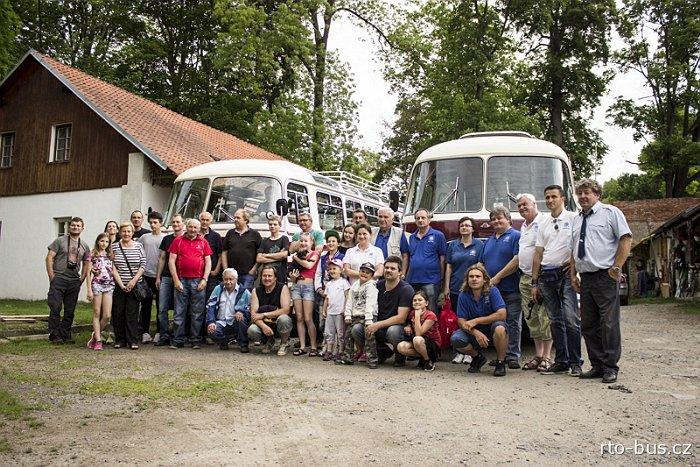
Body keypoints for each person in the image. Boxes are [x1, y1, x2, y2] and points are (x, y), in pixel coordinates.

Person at [570, 179, 632, 383]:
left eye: (586, 192)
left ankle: (610, 366)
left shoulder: (610, 212)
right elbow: (574, 249)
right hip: (585, 277)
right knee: (588, 324)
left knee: (608, 323)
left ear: (597, 194)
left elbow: (625, 238)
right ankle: (596, 364)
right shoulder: (577, 219)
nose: (582, 197)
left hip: (605, 275)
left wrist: (616, 268)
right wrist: (573, 274)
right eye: (579, 193)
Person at [530, 186, 581, 375]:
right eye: (547, 197)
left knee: (571, 319)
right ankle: (561, 361)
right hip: (546, 275)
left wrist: (573, 264)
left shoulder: (574, 219)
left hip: (566, 275)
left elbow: (579, 245)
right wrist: (534, 283)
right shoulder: (543, 223)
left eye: (554, 197)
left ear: (563, 199)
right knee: (554, 321)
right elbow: (538, 253)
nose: (550, 200)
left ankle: (576, 361)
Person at [478, 206, 522, 369]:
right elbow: (481, 262)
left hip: (511, 289)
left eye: (499, 218)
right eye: (493, 219)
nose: (496, 221)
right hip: (492, 291)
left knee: (512, 322)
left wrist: (497, 277)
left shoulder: (516, 236)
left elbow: (516, 260)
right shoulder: (489, 240)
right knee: (497, 324)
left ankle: (512, 356)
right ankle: (500, 356)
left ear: (509, 219)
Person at [515, 194, 554, 372]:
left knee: (544, 316)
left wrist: (536, 280)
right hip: (525, 277)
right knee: (531, 317)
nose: (522, 207)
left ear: (534, 204)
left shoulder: (545, 221)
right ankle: (538, 355)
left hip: (541, 277)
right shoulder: (524, 226)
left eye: (525, 204)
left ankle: (547, 357)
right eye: (519, 205)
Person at [450, 264, 509, 377]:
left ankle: (500, 362)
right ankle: (477, 357)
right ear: (467, 280)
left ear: (484, 279)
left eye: (478, 276)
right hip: (474, 331)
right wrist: (475, 332)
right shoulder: (463, 294)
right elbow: (461, 321)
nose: (474, 279)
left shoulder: (493, 291)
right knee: (456, 339)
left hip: (493, 329)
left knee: (500, 328)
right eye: (471, 276)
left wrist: (477, 321)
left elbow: (502, 314)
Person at [443, 216, 483, 364]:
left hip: (472, 289)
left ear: (473, 229)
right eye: (462, 226)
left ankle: (470, 352)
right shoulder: (453, 245)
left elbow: (480, 267)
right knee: (456, 321)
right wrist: (446, 287)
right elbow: (449, 267)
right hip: (454, 288)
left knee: (471, 320)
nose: (464, 228)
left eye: (467, 225)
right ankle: (458, 351)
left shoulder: (479, 245)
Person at [168, 218, 212, 349]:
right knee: (179, 311)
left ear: (199, 229)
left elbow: (208, 262)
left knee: (197, 312)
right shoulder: (178, 241)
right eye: (190, 227)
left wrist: (205, 279)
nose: (192, 230)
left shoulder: (204, 242)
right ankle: (177, 340)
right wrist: (176, 280)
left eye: (195, 228)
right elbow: (171, 261)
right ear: (186, 227)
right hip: (181, 280)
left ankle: (195, 340)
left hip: (198, 281)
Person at [45, 216, 90, 344]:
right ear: (69, 227)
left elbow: (87, 263)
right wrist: (51, 276)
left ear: (82, 228)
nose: (75, 227)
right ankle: (54, 334)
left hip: (74, 281)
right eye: (73, 225)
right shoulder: (60, 241)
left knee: (70, 310)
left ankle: (65, 333)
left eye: (78, 226)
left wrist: (81, 279)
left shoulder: (84, 245)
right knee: (56, 307)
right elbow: (49, 258)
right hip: (58, 278)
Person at [366, 255, 413, 366]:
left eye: (393, 268)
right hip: (379, 322)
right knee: (358, 329)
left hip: (399, 326)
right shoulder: (377, 286)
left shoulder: (406, 289)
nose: (388, 270)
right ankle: (383, 351)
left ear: (400, 272)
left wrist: (377, 325)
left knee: (393, 332)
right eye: (386, 268)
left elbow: (401, 318)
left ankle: (400, 355)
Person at [337, 262, 380, 368]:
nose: (364, 274)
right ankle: (347, 358)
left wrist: (369, 319)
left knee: (369, 336)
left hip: (368, 316)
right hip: (355, 315)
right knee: (348, 334)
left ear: (371, 275)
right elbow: (350, 301)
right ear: (359, 271)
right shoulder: (355, 285)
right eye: (363, 271)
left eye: (368, 273)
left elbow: (371, 303)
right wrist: (347, 315)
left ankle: (372, 360)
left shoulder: (371, 286)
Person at [111, 222, 147, 349]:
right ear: (120, 233)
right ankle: (120, 340)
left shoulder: (138, 246)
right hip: (119, 285)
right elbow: (112, 266)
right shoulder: (114, 247)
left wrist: (133, 281)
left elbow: (143, 264)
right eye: (124, 231)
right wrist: (121, 284)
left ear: (132, 233)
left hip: (135, 285)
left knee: (132, 313)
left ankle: (132, 340)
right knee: (118, 312)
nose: (126, 234)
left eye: (129, 231)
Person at [405, 208, 447, 316]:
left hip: (431, 280)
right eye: (418, 218)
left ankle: (431, 332)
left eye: (423, 218)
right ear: (415, 221)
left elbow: (442, 258)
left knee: (431, 311)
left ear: (429, 220)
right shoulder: (412, 238)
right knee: (413, 311)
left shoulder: (438, 236)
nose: (420, 220)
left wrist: (441, 278)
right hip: (412, 279)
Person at [247, 265, 294, 356]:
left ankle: (283, 343)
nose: (267, 278)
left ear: (275, 278)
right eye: (264, 276)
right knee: (252, 330)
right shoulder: (256, 291)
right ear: (261, 277)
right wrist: (263, 326)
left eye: (270, 276)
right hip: (265, 324)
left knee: (284, 319)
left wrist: (264, 314)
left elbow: (285, 310)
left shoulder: (282, 288)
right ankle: (270, 341)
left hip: (279, 322)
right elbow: (253, 314)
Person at [154, 214, 184, 346]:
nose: (176, 224)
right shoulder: (166, 239)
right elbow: (162, 258)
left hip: (182, 278)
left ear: (183, 223)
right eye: (173, 222)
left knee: (179, 309)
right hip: (166, 277)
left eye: (178, 222)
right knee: (162, 308)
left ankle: (177, 337)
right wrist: (158, 276)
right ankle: (164, 335)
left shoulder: (187, 239)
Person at [137, 211, 166, 344]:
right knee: (146, 304)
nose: (153, 225)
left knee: (161, 305)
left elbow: (164, 257)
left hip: (159, 276)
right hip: (146, 275)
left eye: (155, 222)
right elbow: (138, 252)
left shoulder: (164, 238)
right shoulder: (144, 237)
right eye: (151, 222)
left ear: (161, 223)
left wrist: (159, 276)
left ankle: (159, 332)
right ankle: (145, 332)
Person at [206, 268, 251, 352]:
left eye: (231, 279)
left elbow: (251, 307)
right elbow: (210, 306)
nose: (228, 282)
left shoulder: (244, 292)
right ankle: (224, 341)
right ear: (223, 279)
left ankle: (243, 344)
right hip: (221, 322)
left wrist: (241, 312)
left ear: (236, 280)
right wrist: (211, 322)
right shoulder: (218, 289)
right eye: (226, 279)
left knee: (241, 319)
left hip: (235, 321)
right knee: (212, 331)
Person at [290, 232, 321, 356]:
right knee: (299, 317)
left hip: (308, 287)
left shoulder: (314, 254)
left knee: (308, 318)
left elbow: (308, 265)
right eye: (301, 241)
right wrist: (292, 277)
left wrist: (296, 257)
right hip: (297, 286)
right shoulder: (297, 255)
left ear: (311, 243)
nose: (303, 243)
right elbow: (293, 273)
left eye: (306, 241)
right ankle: (302, 346)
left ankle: (313, 346)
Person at [397, 290, 441, 371]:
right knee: (401, 347)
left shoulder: (430, 315)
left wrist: (417, 316)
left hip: (432, 343)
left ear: (426, 303)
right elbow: (409, 322)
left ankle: (428, 361)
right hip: (419, 342)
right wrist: (408, 325)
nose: (417, 302)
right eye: (414, 300)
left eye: (420, 300)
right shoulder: (412, 313)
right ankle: (423, 357)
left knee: (417, 339)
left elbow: (418, 333)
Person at [86, 233, 114, 350]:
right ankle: (98, 340)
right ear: (98, 241)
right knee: (97, 312)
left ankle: (95, 334)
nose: (104, 244)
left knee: (107, 315)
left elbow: (114, 270)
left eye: (106, 242)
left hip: (109, 285)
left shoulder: (110, 255)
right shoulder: (92, 254)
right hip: (97, 284)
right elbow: (88, 273)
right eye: (102, 241)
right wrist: (89, 290)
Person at [222, 209, 262, 291]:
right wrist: (226, 270)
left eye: (238, 218)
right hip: (231, 275)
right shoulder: (230, 233)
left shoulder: (255, 234)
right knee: (230, 297)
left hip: (247, 274)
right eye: (235, 217)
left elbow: (261, 253)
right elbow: (224, 252)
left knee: (244, 298)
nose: (235, 220)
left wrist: (254, 269)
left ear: (246, 220)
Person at [321, 259, 350, 361]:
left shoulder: (344, 282)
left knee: (340, 332)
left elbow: (347, 296)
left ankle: (341, 351)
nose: (332, 271)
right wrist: (324, 310)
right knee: (329, 332)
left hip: (339, 312)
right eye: (330, 269)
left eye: (334, 268)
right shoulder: (329, 284)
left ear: (341, 270)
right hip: (330, 312)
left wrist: (345, 309)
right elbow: (327, 298)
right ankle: (329, 350)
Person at [371, 207, 409, 274]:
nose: (382, 219)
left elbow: (405, 255)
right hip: (373, 272)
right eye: (380, 216)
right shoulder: (371, 232)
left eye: (386, 217)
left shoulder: (399, 233)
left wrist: (402, 273)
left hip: (392, 273)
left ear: (392, 219)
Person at [256, 215, 290, 284]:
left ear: (280, 226)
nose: (272, 226)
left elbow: (284, 255)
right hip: (266, 276)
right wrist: (278, 257)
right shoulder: (265, 240)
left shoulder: (284, 238)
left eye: (275, 224)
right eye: (270, 224)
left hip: (280, 275)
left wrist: (266, 255)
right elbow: (259, 259)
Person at [199, 211, 223, 300]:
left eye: (207, 220)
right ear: (199, 220)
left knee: (209, 298)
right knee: (197, 299)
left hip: (211, 274)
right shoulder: (194, 235)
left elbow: (220, 255)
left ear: (211, 222)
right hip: (196, 274)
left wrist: (216, 270)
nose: (204, 222)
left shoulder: (216, 236)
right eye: (203, 220)